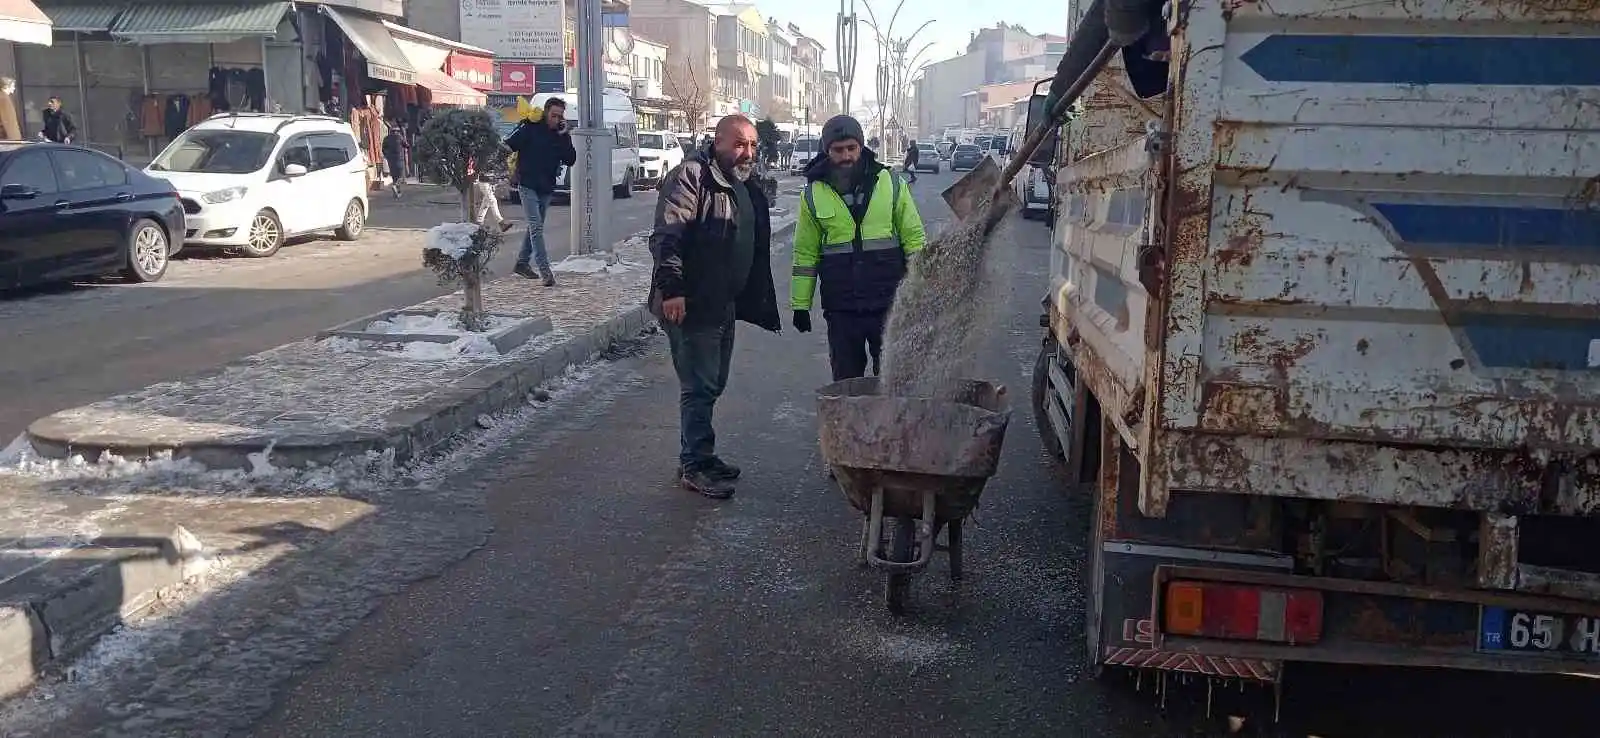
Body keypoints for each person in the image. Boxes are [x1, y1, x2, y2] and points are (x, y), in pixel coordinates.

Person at [648, 114, 782, 499]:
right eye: (739, 143)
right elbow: (667, 238)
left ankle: (700, 454)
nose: (748, 152)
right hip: (690, 304)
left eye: (753, 145)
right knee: (699, 385)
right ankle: (694, 464)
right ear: (718, 142)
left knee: (714, 383)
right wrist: (672, 289)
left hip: (722, 302)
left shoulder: (741, 183)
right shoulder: (691, 177)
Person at [790, 115, 926, 381]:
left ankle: (888, 424)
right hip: (842, 308)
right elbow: (805, 253)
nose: (846, 156)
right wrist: (800, 305)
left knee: (892, 381)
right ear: (827, 151)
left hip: (890, 303)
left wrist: (921, 288)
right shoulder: (813, 193)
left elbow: (914, 239)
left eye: (852, 148)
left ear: (861, 147)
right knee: (846, 383)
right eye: (838, 150)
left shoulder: (890, 182)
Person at [504, 97, 576, 286]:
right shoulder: (530, 128)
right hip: (527, 184)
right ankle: (546, 272)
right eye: (553, 115)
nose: (556, 119)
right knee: (536, 227)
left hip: (546, 187)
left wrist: (565, 136)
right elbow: (509, 145)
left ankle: (521, 263)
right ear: (545, 113)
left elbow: (570, 159)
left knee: (534, 228)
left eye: (560, 116)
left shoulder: (560, 135)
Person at [381, 123, 408, 198]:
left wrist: (387, 156)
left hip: (391, 159)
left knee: (394, 176)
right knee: (400, 176)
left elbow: (383, 149)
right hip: (399, 158)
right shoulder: (399, 137)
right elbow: (406, 145)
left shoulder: (386, 138)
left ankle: (397, 193)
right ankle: (395, 186)